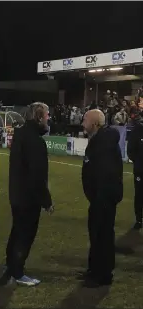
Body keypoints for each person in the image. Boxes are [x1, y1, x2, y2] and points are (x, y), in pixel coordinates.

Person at [0, 102, 54, 287]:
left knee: (17, 231)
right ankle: (18, 271)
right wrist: (46, 201)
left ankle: (11, 264)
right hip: (28, 197)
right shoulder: (35, 140)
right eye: (46, 115)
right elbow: (36, 175)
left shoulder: (21, 135)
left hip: (17, 194)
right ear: (38, 117)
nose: (48, 118)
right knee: (25, 234)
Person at [80, 109, 123, 287]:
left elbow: (105, 175)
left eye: (85, 119)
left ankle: (102, 275)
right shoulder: (99, 140)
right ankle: (94, 270)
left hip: (103, 198)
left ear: (95, 123)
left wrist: (100, 197)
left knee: (102, 235)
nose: (82, 122)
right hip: (98, 198)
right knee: (97, 234)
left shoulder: (103, 143)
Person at [127, 93, 143, 230]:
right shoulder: (138, 129)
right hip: (140, 169)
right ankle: (139, 219)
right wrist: (138, 161)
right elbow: (130, 150)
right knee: (139, 195)